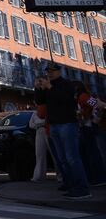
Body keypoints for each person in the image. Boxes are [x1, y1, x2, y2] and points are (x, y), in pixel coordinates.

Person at [35, 62, 91, 199]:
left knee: (72, 157)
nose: (50, 73)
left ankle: (82, 188)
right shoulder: (49, 87)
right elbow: (40, 103)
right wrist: (39, 88)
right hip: (54, 125)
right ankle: (71, 185)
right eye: (48, 71)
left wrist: (50, 87)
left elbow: (65, 100)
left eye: (53, 71)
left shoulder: (67, 84)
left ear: (59, 71)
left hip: (67, 123)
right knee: (62, 159)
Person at [74, 81, 106, 186]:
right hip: (85, 127)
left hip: (88, 127)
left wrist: (92, 118)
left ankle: (98, 177)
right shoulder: (80, 97)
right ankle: (94, 177)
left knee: (91, 153)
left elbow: (98, 105)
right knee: (87, 153)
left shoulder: (83, 96)